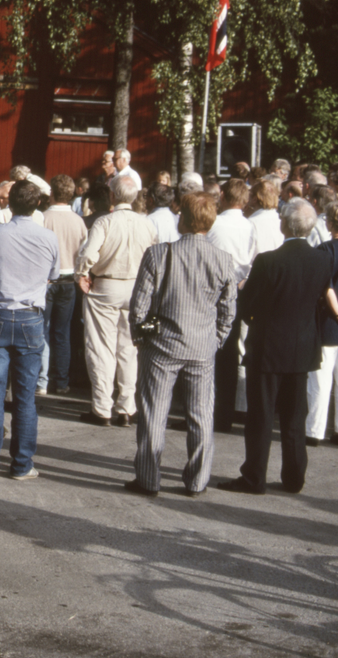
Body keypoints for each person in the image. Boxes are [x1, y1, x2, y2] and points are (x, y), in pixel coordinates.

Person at [220, 199, 335, 495]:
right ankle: (294, 477)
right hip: (302, 348)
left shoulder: (268, 260)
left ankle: (254, 477)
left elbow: (247, 306)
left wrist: (255, 315)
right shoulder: (322, 261)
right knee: (295, 418)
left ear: (284, 225)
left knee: (261, 416)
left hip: (268, 346)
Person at [124, 193, 236, 497]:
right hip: (202, 346)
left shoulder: (159, 254)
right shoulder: (224, 260)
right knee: (201, 414)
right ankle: (198, 480)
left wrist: (140, 336)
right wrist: (216, 340)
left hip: (162, 345)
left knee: (153, 411)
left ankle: (149, 478)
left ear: (182, 218)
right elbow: (228, 310)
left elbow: (139, 304)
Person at [0, 181, 59, 480]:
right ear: (37, 205)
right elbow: (53, 275)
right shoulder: (48, 237)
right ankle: (21, 464)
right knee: (25, 396)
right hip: (30, 316)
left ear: (9, 203)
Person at [75, 175, 157, 427]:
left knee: (101, 346)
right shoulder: (147, 224)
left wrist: (81, 273)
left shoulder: (105, 222)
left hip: (106, 285)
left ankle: (102, 407)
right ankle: (126, 407)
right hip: (136, 287)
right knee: (129, 348)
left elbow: (89, 252)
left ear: (112, 196)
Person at [207, 178, 260, 432]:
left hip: (213, 290)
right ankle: (225, 413)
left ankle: (208, 409)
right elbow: (254, 258)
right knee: (229, 352)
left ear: (225, 196)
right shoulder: (249, 226)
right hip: (238, 289)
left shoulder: (216, 223)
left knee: (209, 351)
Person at [305, 199, 338, 446]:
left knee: (320, 380)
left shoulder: (325, 249)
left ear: (331, 221)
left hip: (329, 322)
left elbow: (326, 286)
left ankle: (315, 430)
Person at [41, 175, 87, 396]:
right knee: (62, 332)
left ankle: (41, 380)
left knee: (42, 330)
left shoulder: (43, 218)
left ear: (52, 193)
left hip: (48, 280)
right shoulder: (78, 221)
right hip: (69, 281)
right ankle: (61, 381)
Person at [248, 179, 284, 254]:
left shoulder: (251, 223)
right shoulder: (282, 221)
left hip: (258, 264)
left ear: (254, 199)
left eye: (250, 195)